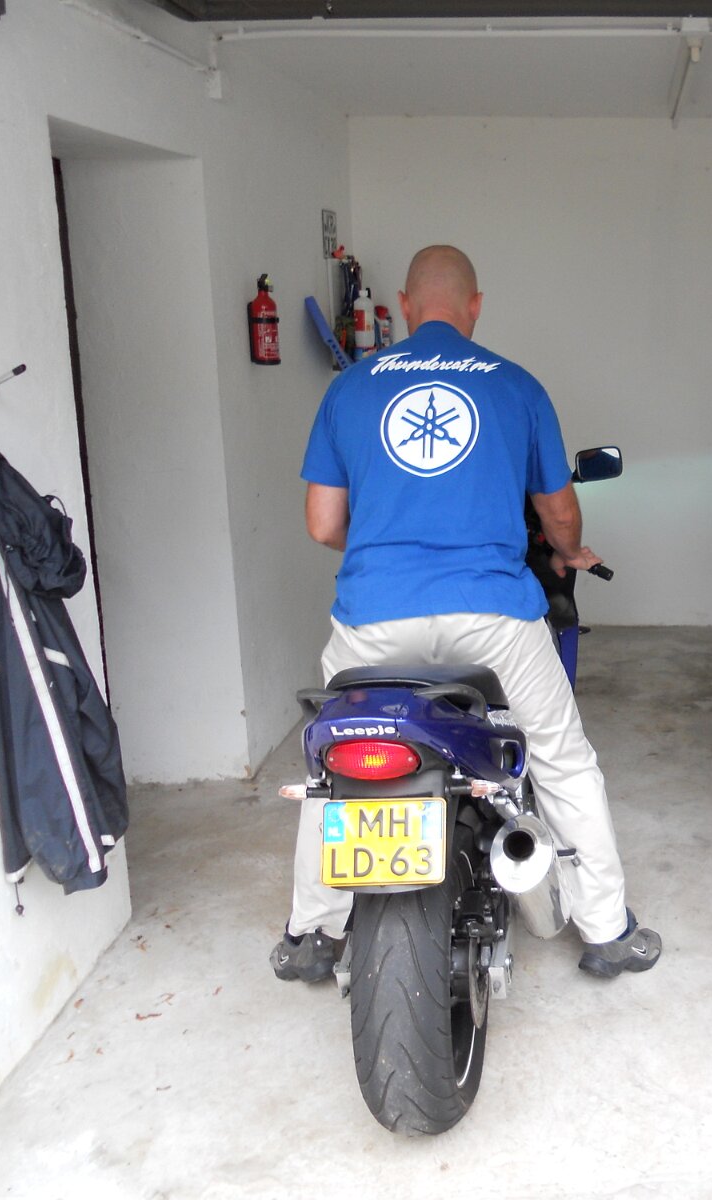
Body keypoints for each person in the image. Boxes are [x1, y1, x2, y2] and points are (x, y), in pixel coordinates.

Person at [273, 244, 660, 984]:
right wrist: (568, 551)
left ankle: (313, 934)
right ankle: (606, 930)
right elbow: (560, 512)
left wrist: (387, 543)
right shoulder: (517, 386)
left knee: (334, 768)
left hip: (373, 622)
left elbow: (323, 524)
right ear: (475, 306)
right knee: (561, 760)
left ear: (405, 307)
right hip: (495, 622)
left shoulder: (350, 389)